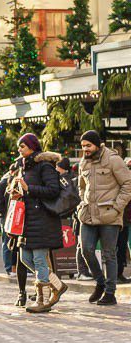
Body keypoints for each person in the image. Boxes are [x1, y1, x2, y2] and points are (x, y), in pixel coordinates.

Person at [9, 133, 67, 314]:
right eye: (19, 146)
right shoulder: (25, 167)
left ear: (33, 147)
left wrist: (28, 189)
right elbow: (30, 192)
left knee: (40, 259)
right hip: (28, 220)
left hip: (42, 220)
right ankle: (57, 285)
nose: (19, 149)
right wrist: (19, 193)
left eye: (22, 146)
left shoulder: (45, 166)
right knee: (25, 258)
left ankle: (42, 300)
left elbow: (53, 190)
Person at [76, 129, 131, 305]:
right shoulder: (83, 162)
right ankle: (100, 282)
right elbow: (82, 186)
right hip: (88, 215)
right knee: (86, 250)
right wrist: (82, 203)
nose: (85, 149)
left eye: (88, 145)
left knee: (109, 255)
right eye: (83, 146)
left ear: (97, 144)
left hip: (109, 215)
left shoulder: (113, 160)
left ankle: (110, 292)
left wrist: (117, 208)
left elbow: (128, 184)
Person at [58, 157, 91, 280]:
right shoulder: (74, 181)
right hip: (79, 216)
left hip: (80, 216)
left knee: (82, 245)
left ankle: (84, 271)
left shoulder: (73, 180)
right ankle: (82, 271)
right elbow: (73, 201)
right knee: (80, 245)